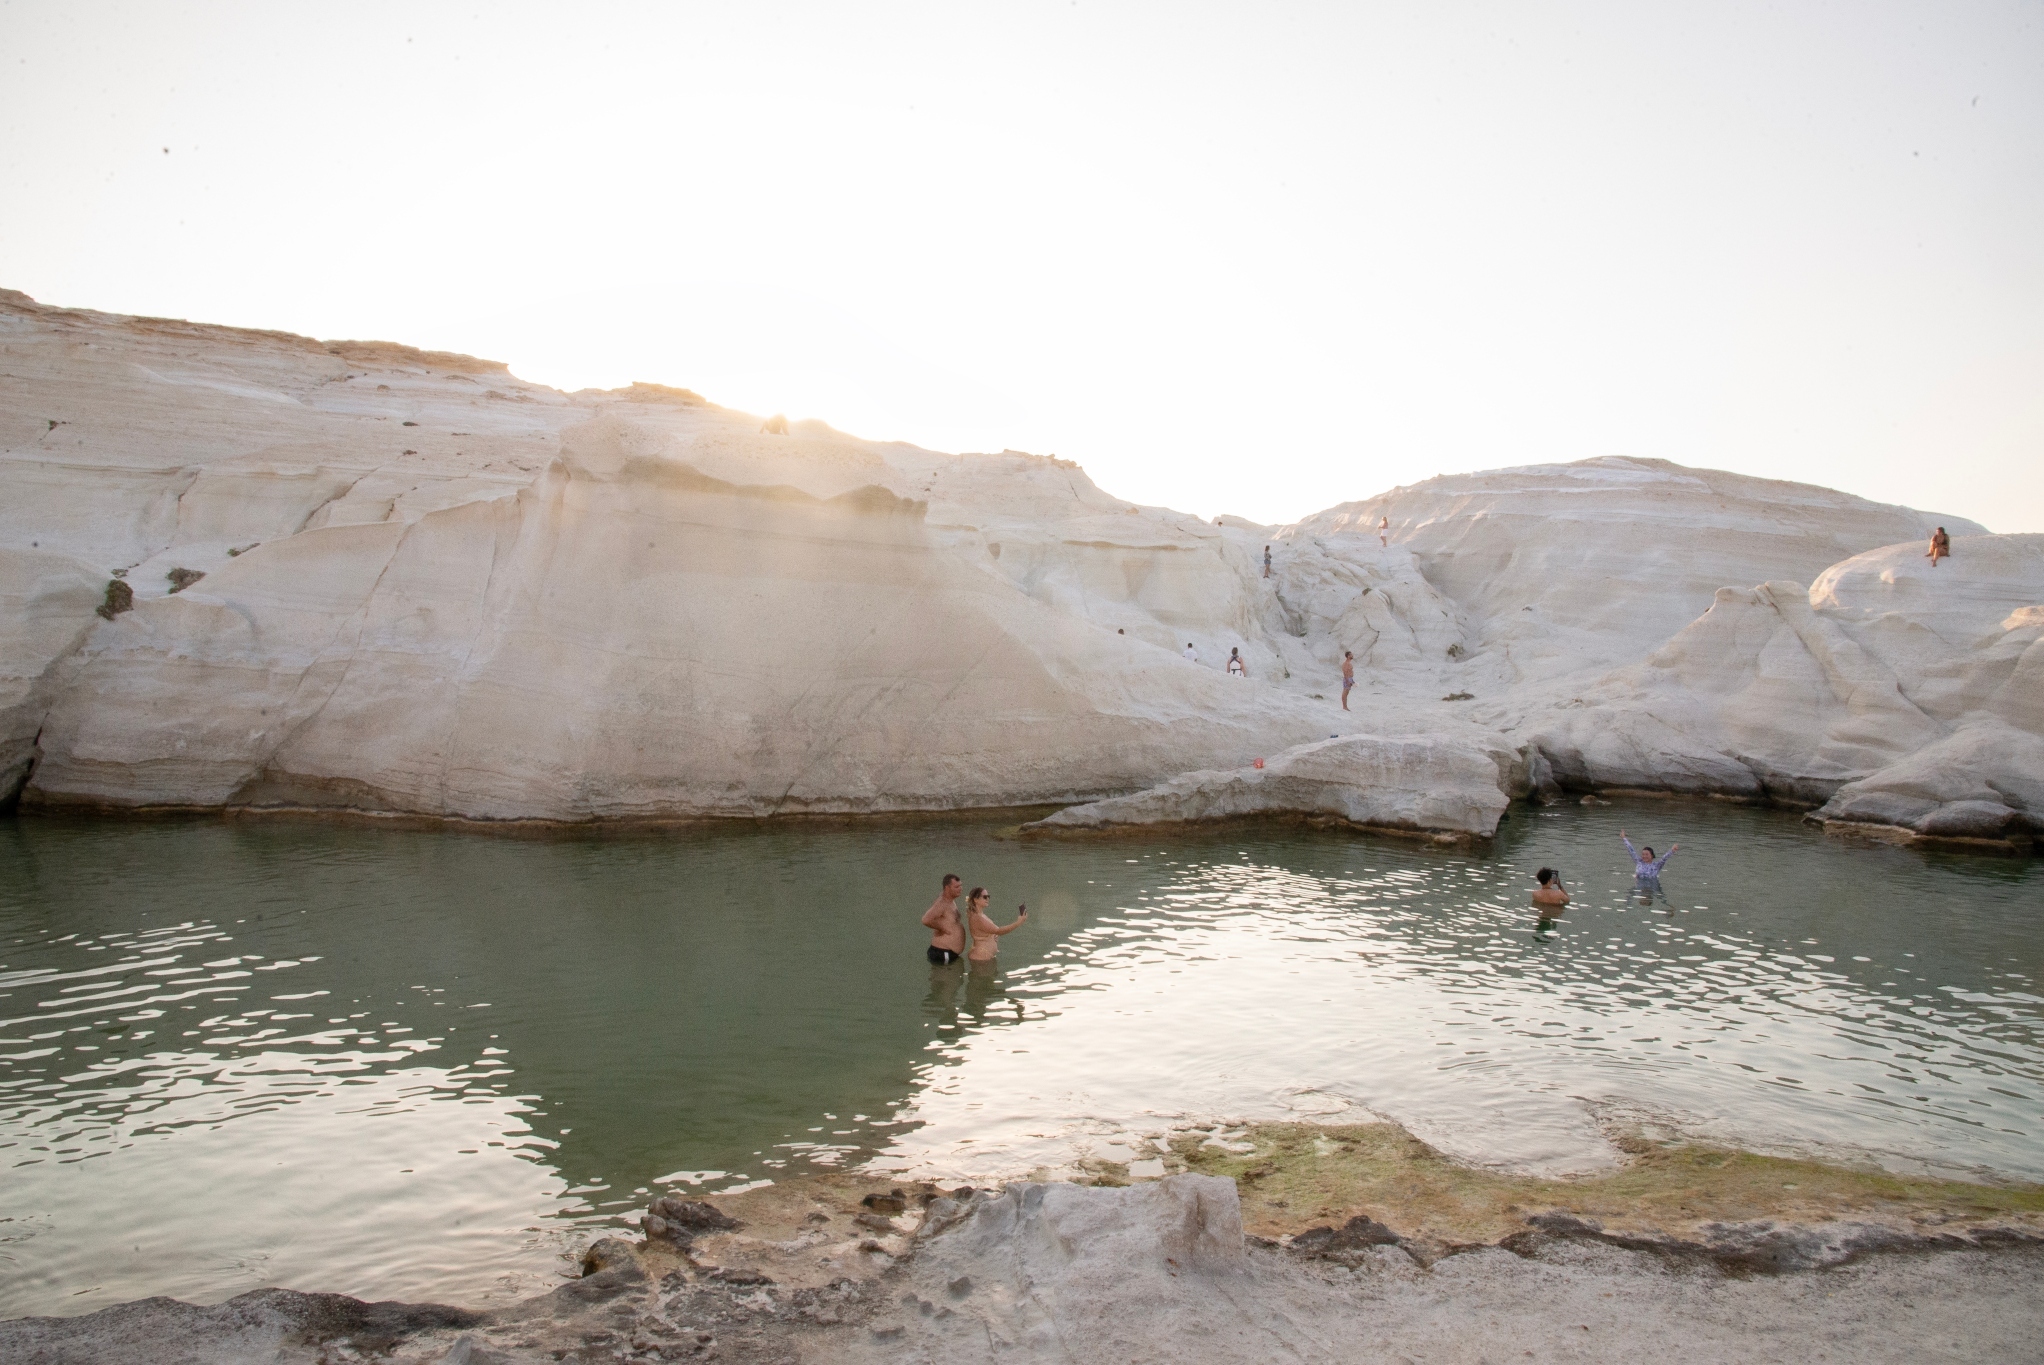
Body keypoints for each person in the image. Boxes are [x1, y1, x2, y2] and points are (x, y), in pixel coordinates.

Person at [965, 888, 1026, 963]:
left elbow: (988, 931)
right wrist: (1018, 923)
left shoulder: (980, 915)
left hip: (983, 956)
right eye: (984, 897)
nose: (987, 899)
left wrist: (992, 935)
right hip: (981, 957)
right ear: (975, 899)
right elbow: (999, 931)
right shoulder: (977, 918)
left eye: (988, 896)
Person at [921, 873, 966, 965]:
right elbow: (925, 920)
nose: (960, 889)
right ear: (947, 888)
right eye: (957, 887)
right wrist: (942, 928)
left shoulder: (950, 900)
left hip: (947, 953)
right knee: (944, 979)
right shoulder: (942, 903)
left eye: (961, 886)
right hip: (943, 953)